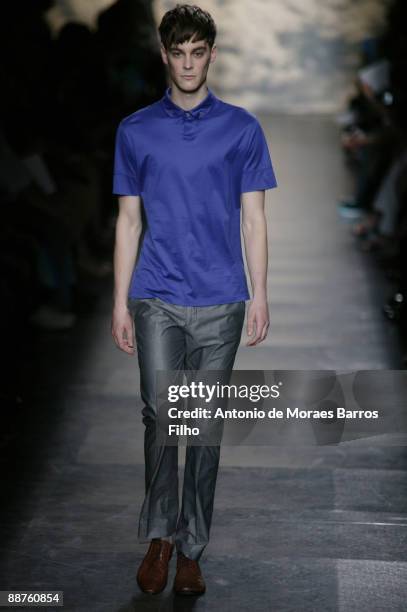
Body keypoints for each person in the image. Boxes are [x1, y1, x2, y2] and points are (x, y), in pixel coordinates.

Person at [111, 3, 277, 597]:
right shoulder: (134, 130)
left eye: (197, 51)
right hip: (155, 293)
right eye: (177, 52)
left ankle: (190, 549)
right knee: (161, 414)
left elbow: (254, 221)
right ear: (164, 54)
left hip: (222, 298)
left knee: (202, 427)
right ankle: (160, 535)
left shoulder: (241, 128)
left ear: (211, 53)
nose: (187, 62)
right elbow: (128, 223)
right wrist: (118, 301)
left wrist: (260, 296)